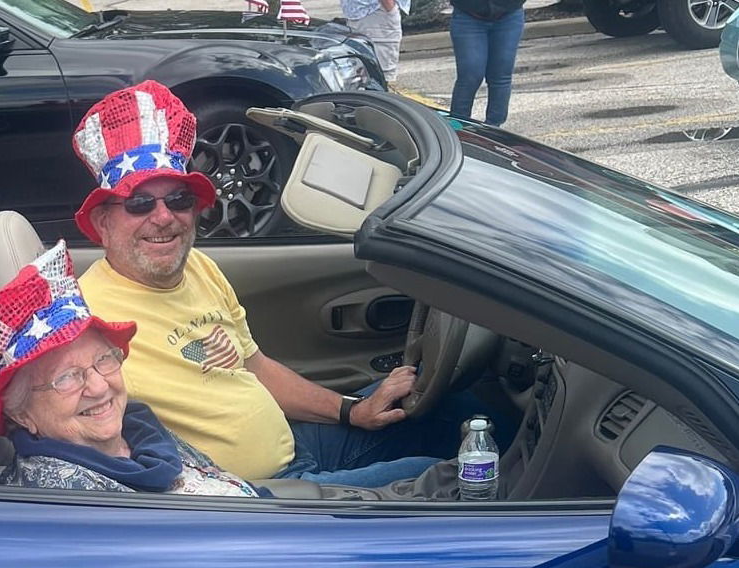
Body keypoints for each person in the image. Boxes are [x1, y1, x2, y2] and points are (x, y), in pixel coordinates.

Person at [70, 80, 449, 490]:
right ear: (102, 224)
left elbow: (255, 366)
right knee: (453, 479)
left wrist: (350, 411)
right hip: (264, 497)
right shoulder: (85, 322)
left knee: (439, 411)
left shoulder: (199, 267)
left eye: (178, 200)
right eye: (139, 203)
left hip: (296, 444)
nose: (163, 218)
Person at [0, 241, 264, 497]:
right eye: (66, 378)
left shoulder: (137, 428)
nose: (99, 387)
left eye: (103, 360)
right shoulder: (71, 497)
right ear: (23, 416)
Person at [449, 0, 527, 128]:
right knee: (470, 75)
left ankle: (494, 128)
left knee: (501, 76)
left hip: (509, 14)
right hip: (468, 15)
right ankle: (457, 128)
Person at [342, 0, 410, 83]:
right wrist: (390, 7)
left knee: (364, 75)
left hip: (364, 12)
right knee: (379, 76)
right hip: (376, 12)